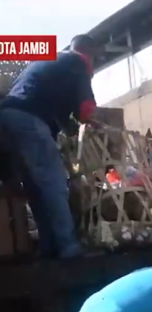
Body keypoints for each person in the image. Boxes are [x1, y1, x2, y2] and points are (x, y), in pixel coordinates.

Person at [0, 34, 99, 258]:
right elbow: (86, 109)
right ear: (89, 54)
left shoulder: (49, 63)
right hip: (29, 120)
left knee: (36, 186)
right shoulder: (78, 62)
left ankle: (48, 247)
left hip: (7, 118)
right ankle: (68, 246)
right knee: (54, 182)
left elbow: (62, 113)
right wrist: (94, 127)